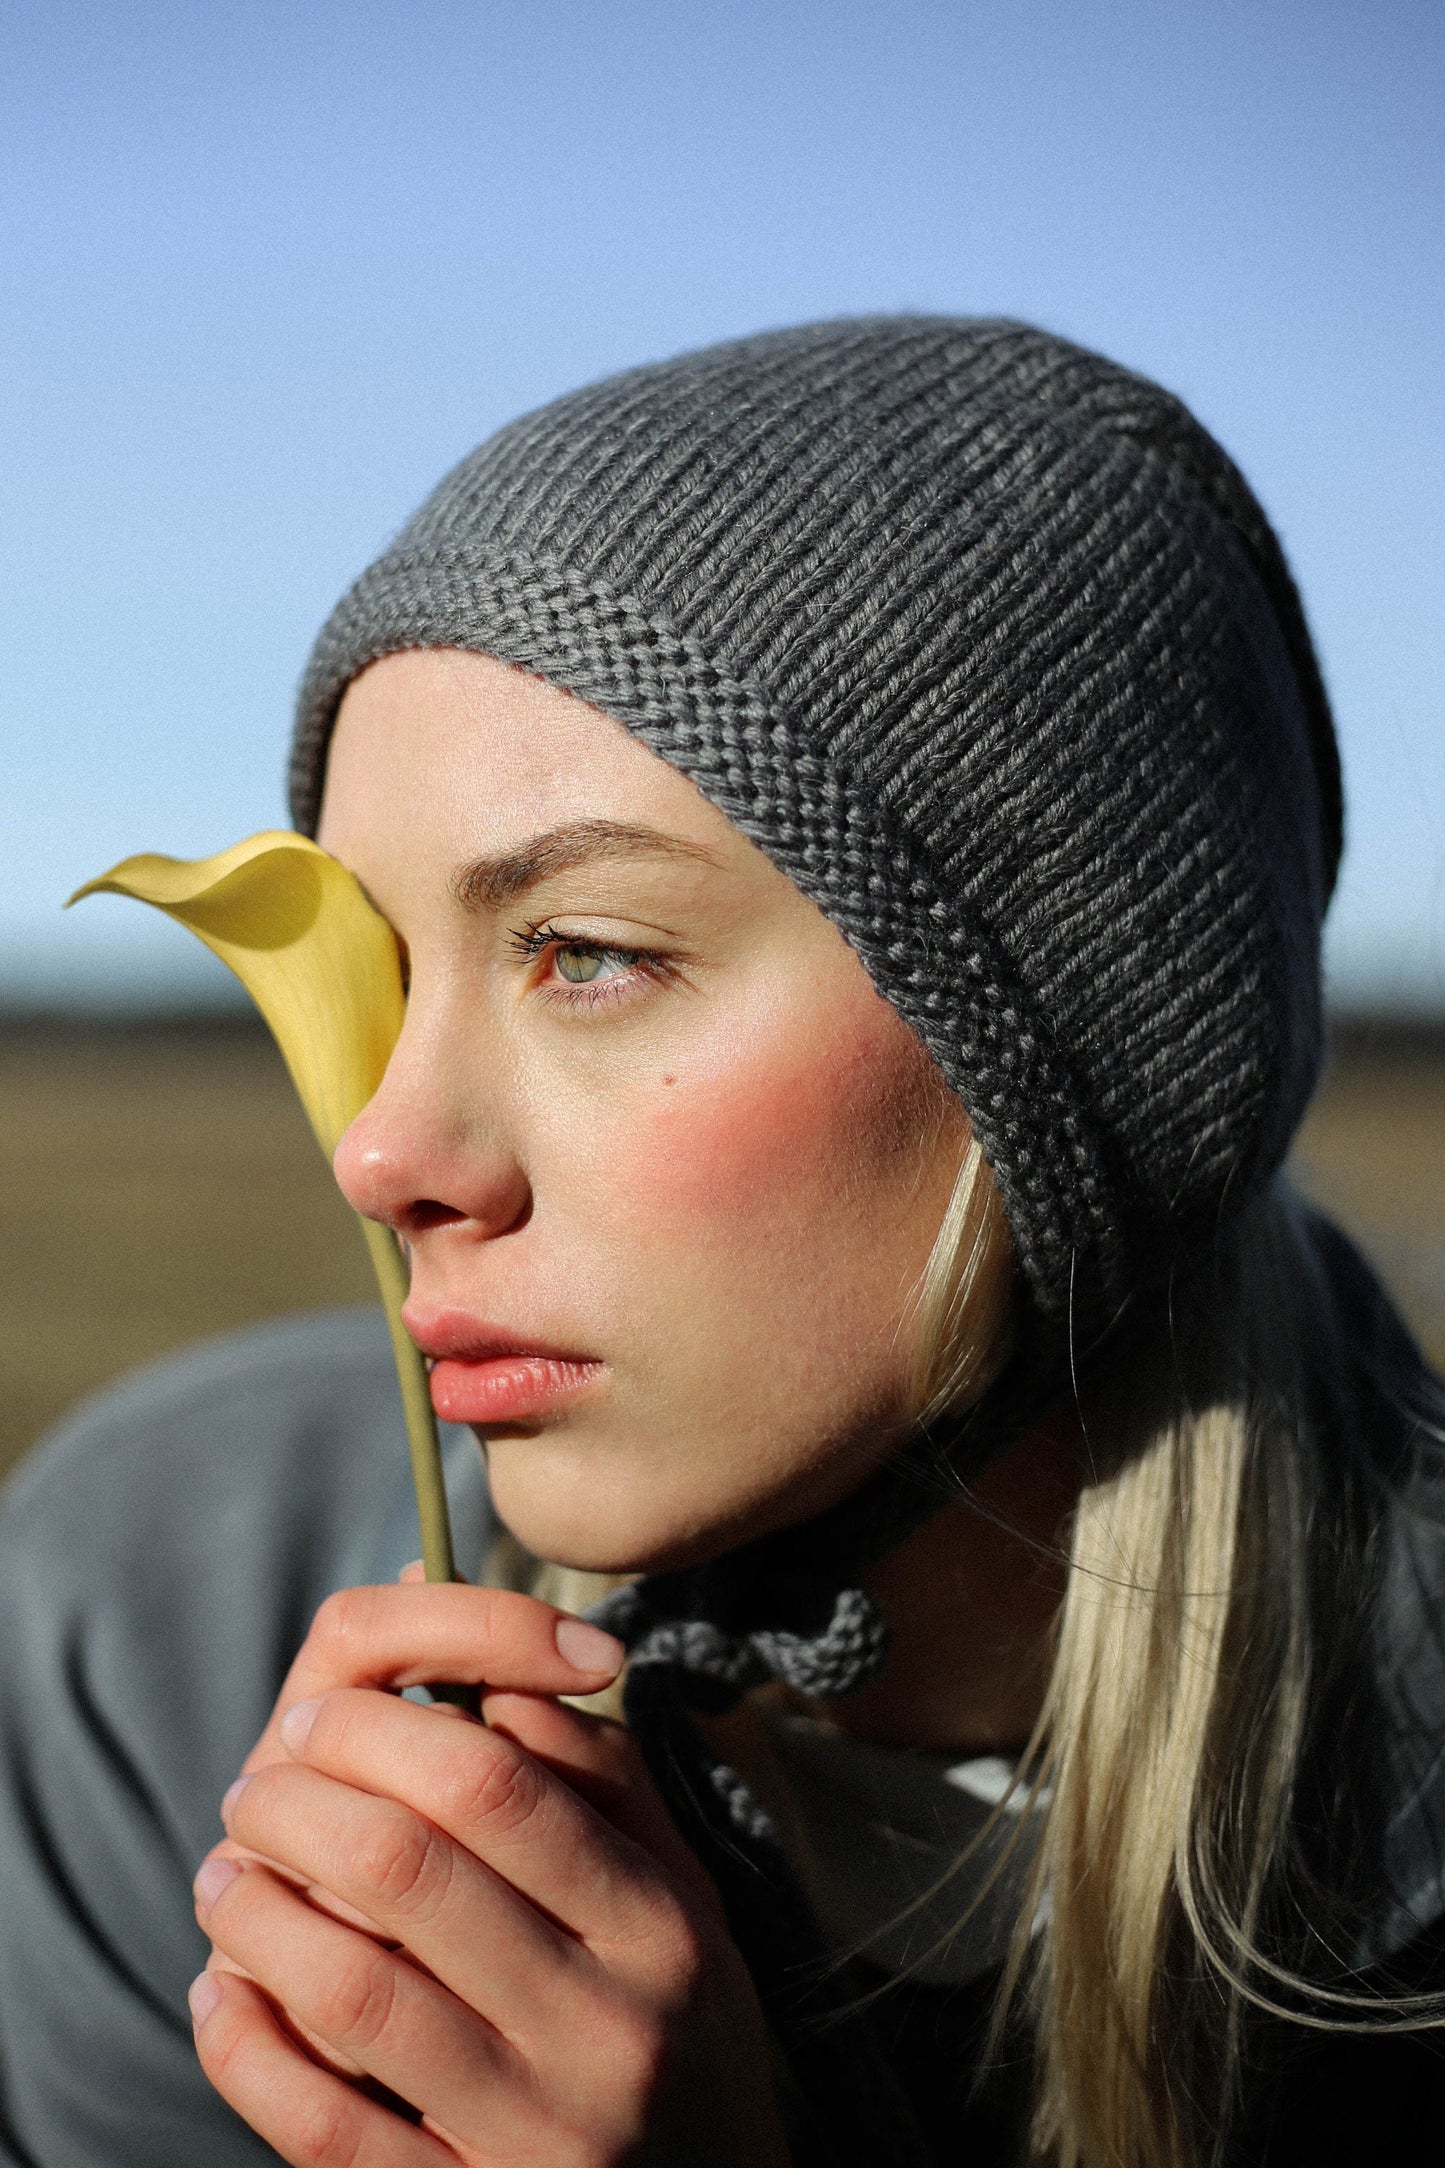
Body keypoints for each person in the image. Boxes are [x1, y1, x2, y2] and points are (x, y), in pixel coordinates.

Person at [2, 316, 1443, 2168]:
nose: (381, 1155)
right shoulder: (164, 1619)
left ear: (1064, 1061)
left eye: (586, 952)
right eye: (381, 973)